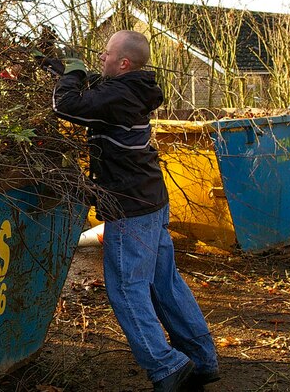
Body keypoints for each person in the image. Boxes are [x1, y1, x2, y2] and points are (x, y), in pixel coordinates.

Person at [52, 30, 220, 392]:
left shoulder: (116, 95)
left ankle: (166, 366)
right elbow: (96, 88)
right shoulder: (133, 89)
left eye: (106, 53)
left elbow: (65, 105)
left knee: (127, 289)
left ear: (123, 62)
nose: (101, 58)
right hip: (151, 202)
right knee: (165, 284)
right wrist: (61, 67)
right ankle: (202, 360)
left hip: (130, 208)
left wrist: (70, 75)